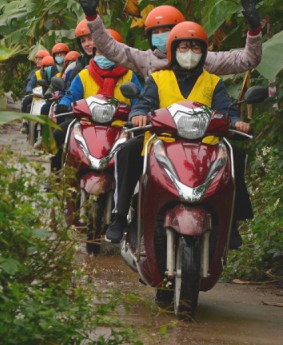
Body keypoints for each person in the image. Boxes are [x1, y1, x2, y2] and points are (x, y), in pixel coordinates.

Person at [104, 21, 253, 250]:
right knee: (126, 151)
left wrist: (236, 122)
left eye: (195, 47)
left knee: (236, 155)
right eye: (183, 47)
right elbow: (144, 102)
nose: (190, 53)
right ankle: (119, 216)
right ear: (173, 50)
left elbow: (226, 109)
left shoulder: (213, 82)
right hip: (162, 145)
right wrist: (139, 115)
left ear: (203, 52)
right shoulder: (159, 78)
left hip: (205, 148)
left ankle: (232, 222)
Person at [73, 0, 264, 79]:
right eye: (155, 33)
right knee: (128, 152)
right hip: (160, 132)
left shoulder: (201, 59)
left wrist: (254, 30)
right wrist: (92, 17)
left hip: (199, 132)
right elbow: (110, 48)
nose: (161, 36)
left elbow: (248, 60)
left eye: (165, 31)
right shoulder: (145, 60)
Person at [46, 46, 142, 170]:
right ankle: (56, 177)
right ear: (94, 53)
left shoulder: (129, 75)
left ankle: (135, 187)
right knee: (58, 134)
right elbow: (71, 94)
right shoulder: (84, 75)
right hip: (86, 124)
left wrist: (138, 114)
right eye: (99, 52)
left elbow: (139, 100)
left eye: (108, 51)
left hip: (120, 126)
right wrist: (64, 104)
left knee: (139, 148)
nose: (103, 56)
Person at [21, 49, 50, 133]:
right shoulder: (36, 73)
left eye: (40, 58)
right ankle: (25, 122)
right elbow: (30, 83)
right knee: (27, 102)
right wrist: (29, 91)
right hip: (37, 95)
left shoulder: (54, 71)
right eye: (36, 58)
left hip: (48, 96)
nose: (37, 60)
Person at [63, 20, 96, 86]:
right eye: (83, 41)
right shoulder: (77, 68)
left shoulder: (111, 64)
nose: (86, 44)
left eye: (90, 39)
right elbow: (70, 92)